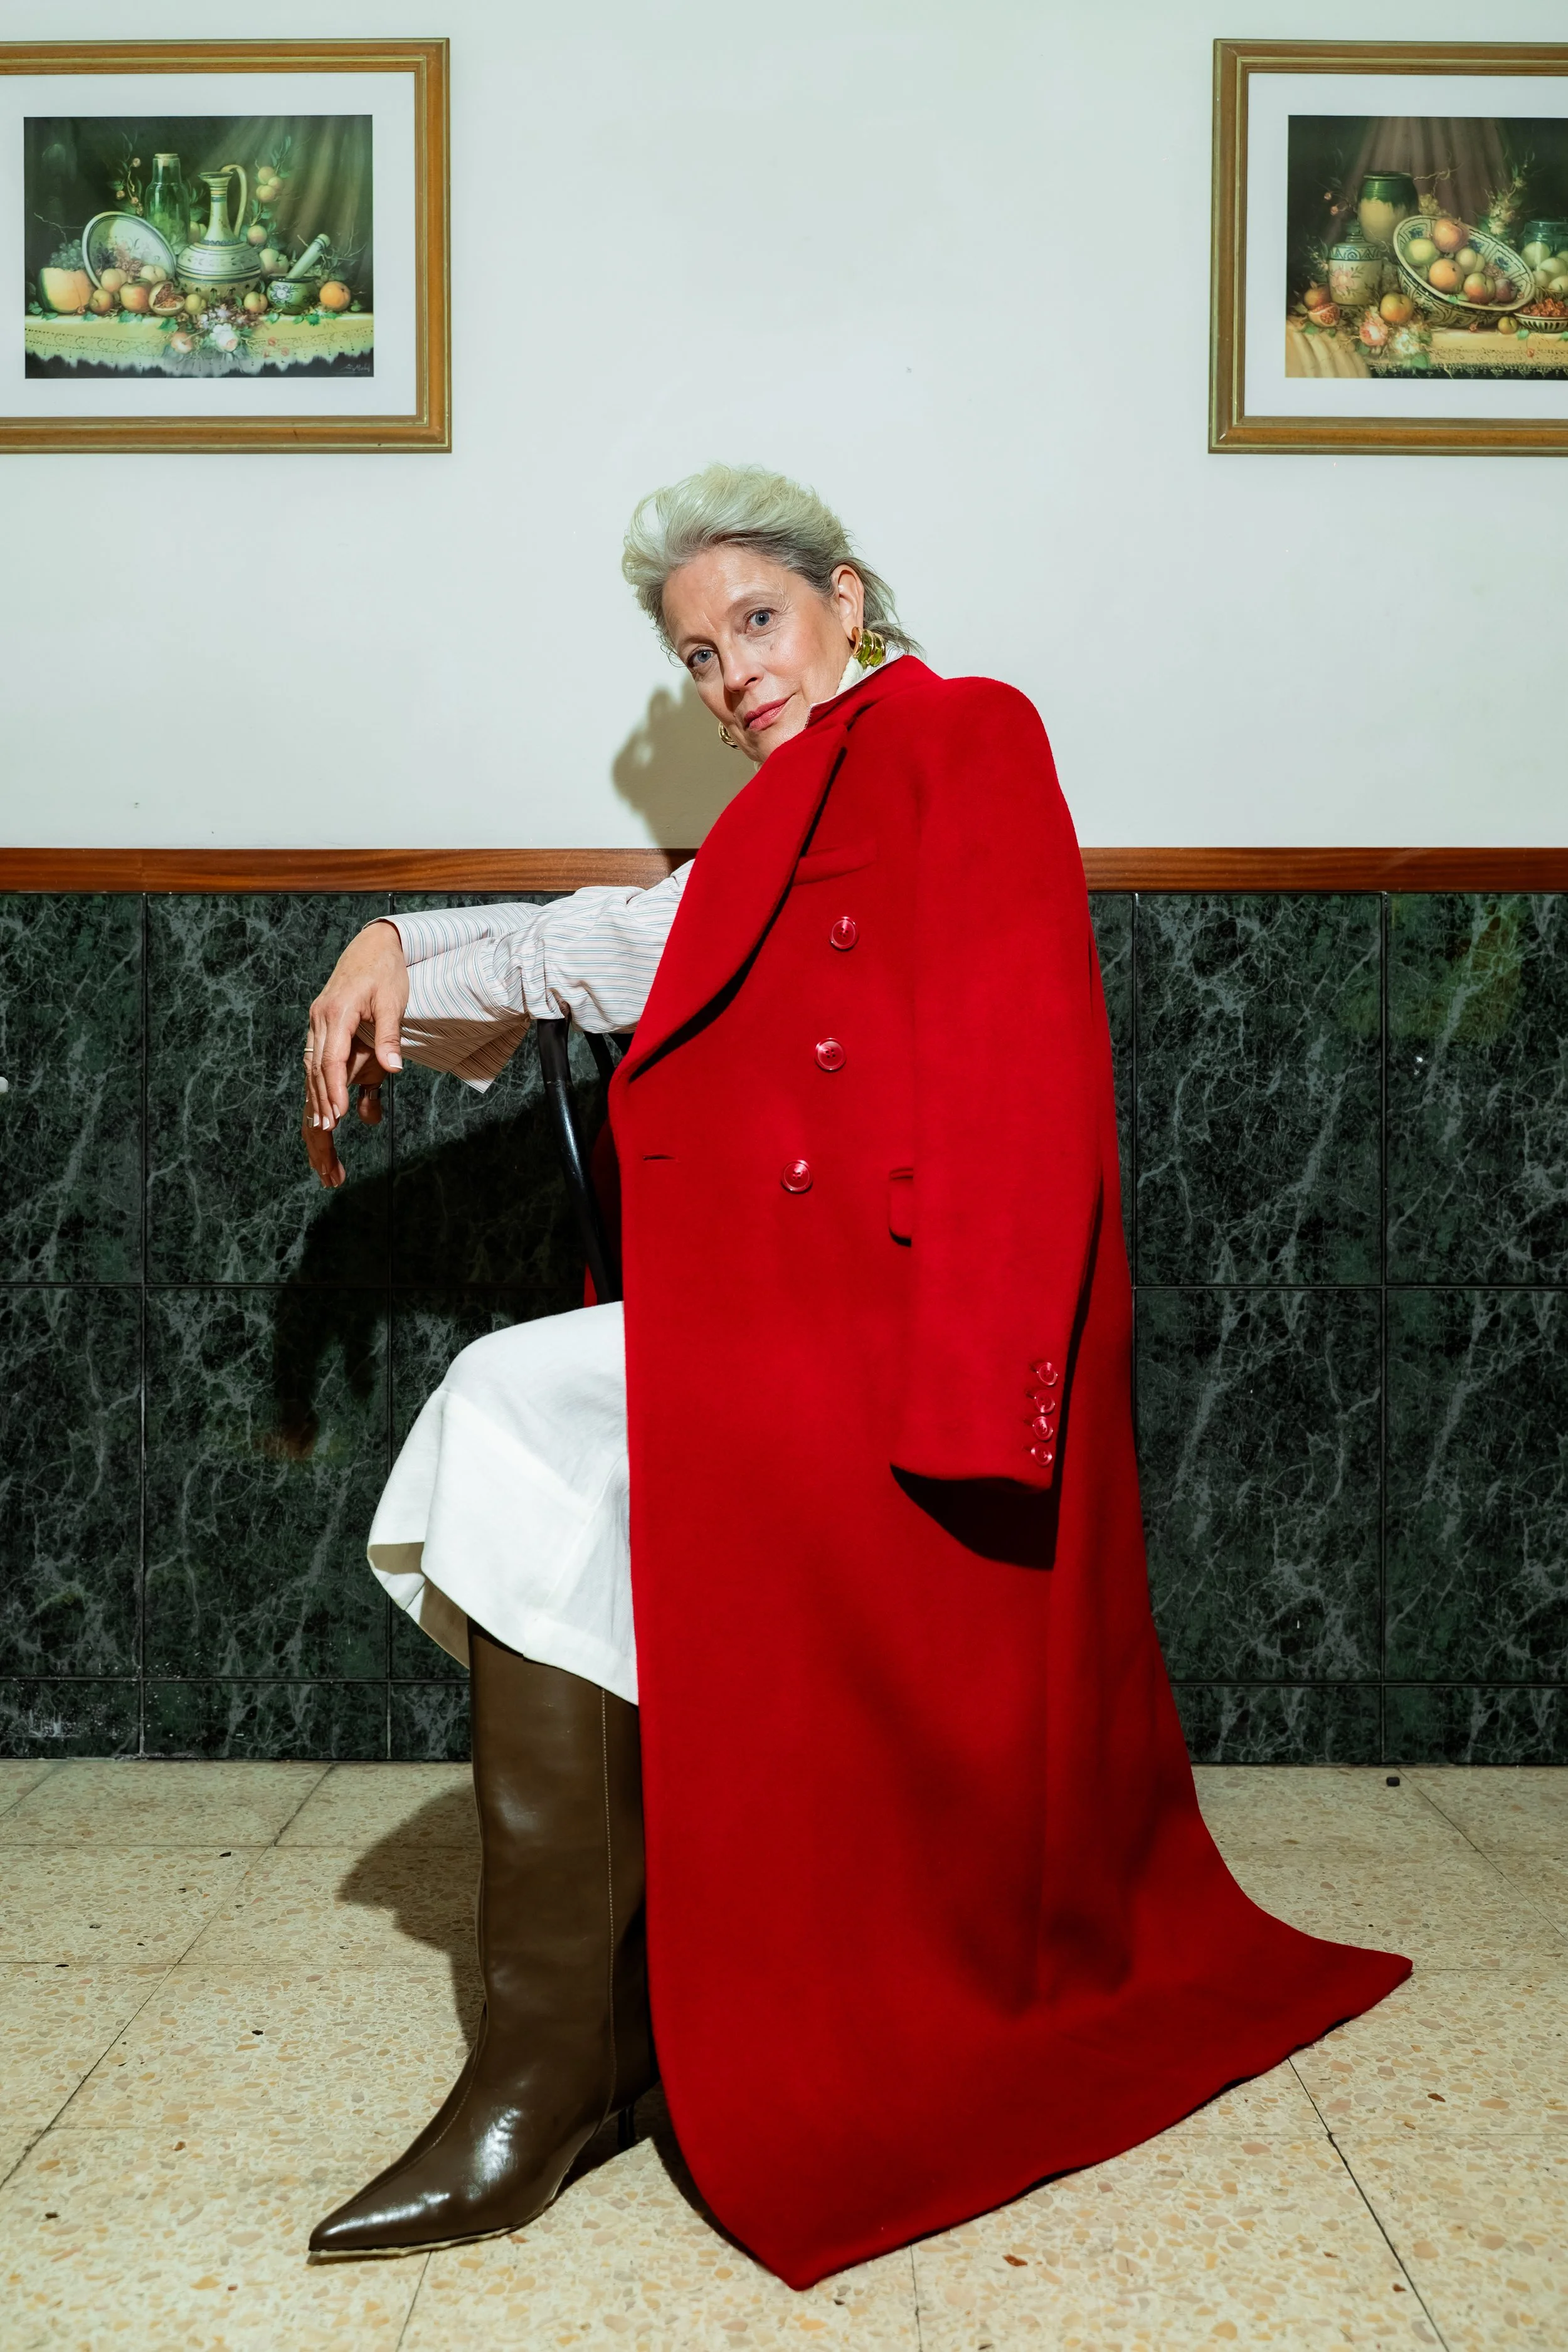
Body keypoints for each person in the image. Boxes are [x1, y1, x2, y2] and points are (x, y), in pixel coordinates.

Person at [300, 465, 1409, 2288]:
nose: (731, 671)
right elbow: (610, 948)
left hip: (907, 1336)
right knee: (526, 1427)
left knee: (515, 1412)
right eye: (696, 654)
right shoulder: (767, 827)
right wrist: (397, 948)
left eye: (755, 622)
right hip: (788, 1312)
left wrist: (990, 1403)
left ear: (846, 597)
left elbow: (1020, 1053)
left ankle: (559, 2060)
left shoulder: (956, 735)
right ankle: (560, 2052)